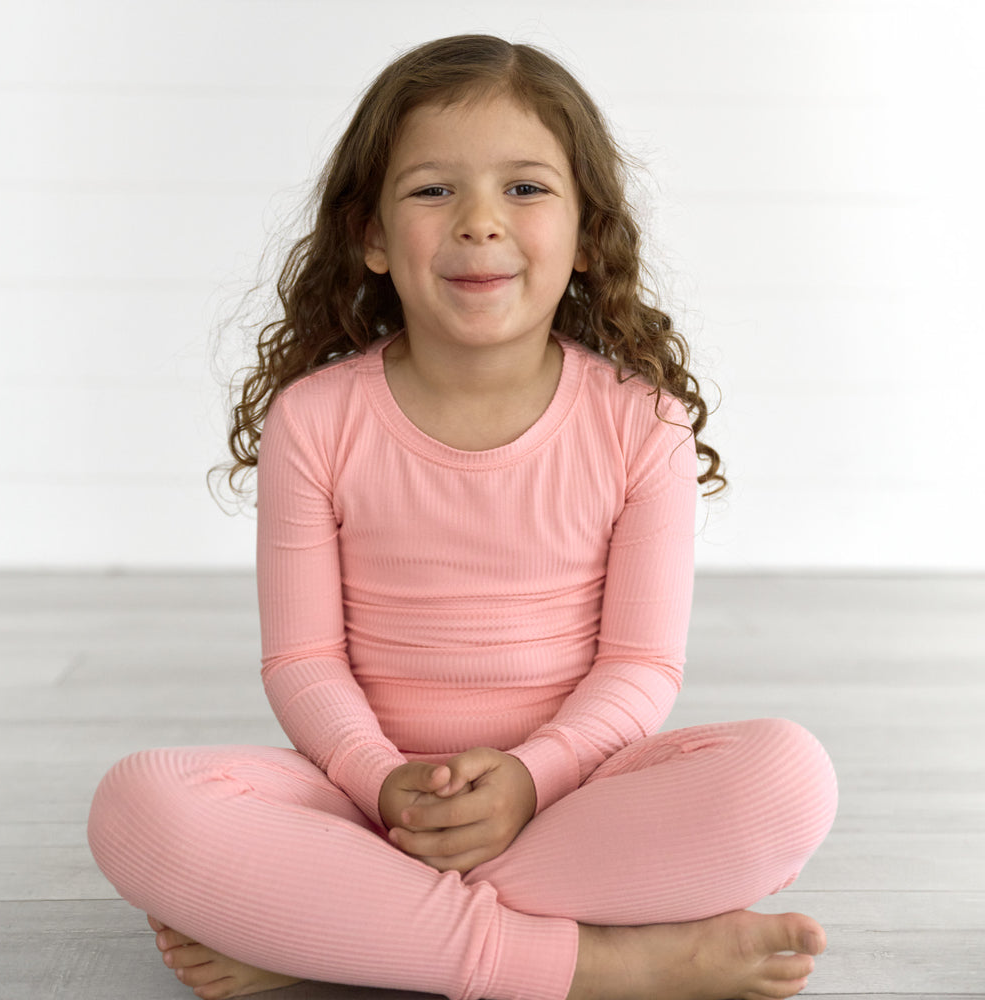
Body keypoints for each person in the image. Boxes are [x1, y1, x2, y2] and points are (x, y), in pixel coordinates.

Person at [88, 34, 837, 1000]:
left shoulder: (640, 421)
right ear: (368, 234)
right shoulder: (316, 419)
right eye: (434, 190)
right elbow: (303, 663)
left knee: (788, 776)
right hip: (366, 801)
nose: (480, 223)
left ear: (585, 235)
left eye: (525, 189)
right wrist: (379, 781)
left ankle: (337, 936)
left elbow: (640, 668)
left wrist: (529, 780)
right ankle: (609, 964)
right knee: (139, 803)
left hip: (568, 797)